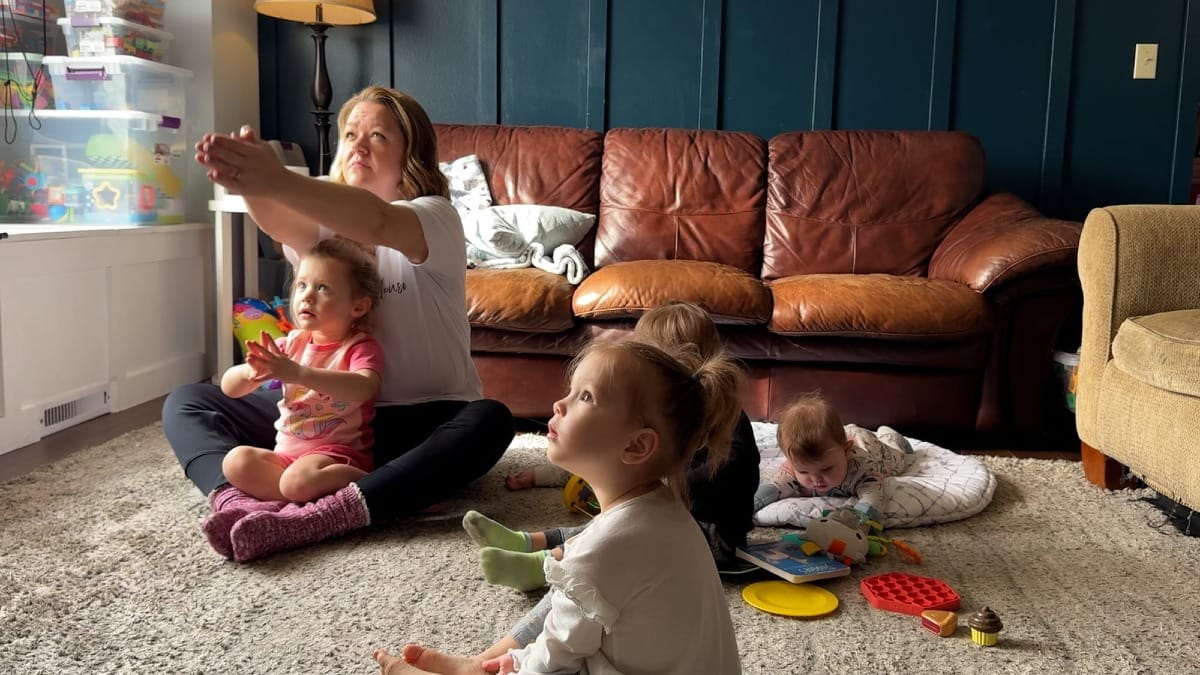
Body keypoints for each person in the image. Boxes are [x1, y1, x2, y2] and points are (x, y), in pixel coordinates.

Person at [164, 85, 515, 563]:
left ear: (411, 155)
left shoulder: (436, 217)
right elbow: (282, 225)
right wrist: (252, 181)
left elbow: (376, 222)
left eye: (378, 137)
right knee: (188, 402)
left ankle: (328, 513)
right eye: (350, 134)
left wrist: (279, 179)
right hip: (327, 422)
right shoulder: (326, 233)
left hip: (425, 419)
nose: (358, 146)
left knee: (490, 421)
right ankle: (236, 501)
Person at [373, 338, 746, 675]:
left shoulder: (604, 549)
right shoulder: (662, 511)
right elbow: (567, 637)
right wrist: (517, 658)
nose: (558, 404)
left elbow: (550, 665)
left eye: (585, 396)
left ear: (636, 446)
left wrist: (520, 667)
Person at [467, 302, 761, 595]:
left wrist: (658, 485)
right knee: (610, 524)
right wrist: (543, 474)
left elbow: (733, 472)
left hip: (712, 536)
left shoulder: (725, 414)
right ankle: (528, 542)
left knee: (616, 533)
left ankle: (541, 566)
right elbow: (596, 452)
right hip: (662, 513)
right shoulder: (656, 420)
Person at [214, 237, 384, 513]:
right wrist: (251, 372)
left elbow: (365, 387)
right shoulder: (291, 343)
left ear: (358, 307)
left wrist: (299, 373)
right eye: (302, 285)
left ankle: (378, 485)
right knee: (236, 461)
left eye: (323, 288)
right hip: (286, 456)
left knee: (296, 483)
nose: (307, 295)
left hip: (335, 456)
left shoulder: (358, 346)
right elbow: (228, 388)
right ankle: (300, 507)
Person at [753, 391, 912, 524]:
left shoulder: (864, 469)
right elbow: (774, 487)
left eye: (826, 469)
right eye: (804, 471)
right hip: (845, 438)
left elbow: (873, 500)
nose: (816, 479)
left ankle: (889, 434)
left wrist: (856, 522)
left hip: (872, 447)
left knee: (898, 455)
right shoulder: (797, 463)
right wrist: (747, 504)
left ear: (846, 451)